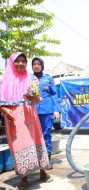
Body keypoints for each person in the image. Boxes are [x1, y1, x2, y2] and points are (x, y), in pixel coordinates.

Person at [0, 52, 51, 189]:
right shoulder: (5, 80)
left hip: (30, 116)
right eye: (17, 61)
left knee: (37, 141)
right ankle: (23, 178)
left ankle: (43, 172)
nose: (20, 63)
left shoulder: (32, 79)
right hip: (14, 119)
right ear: (11, 63)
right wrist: (4, 109)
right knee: (19, 146)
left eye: (23, 61)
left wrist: (33, 97)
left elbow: (39, 99)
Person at [32, 57, 61, 169]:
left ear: (42, 66)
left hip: (46, 111)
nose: (36, 66)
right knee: (34, 136)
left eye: (39, 64)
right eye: (34, 64)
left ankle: (46, 161)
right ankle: (36, 160)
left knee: (46, 134)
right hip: (33, 112)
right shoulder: (29, 79)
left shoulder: (48, 79)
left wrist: (56, 109)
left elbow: (54, 94)